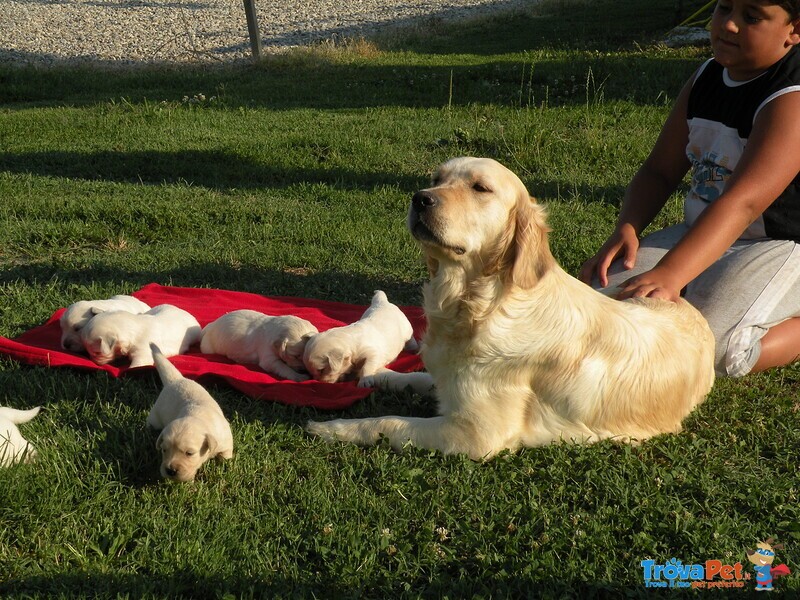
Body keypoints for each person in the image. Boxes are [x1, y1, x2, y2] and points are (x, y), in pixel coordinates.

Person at [579, 0, 800, 377]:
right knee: (599, 305)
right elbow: (659, 170)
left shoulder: (791, 95)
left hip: (779, 244)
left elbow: (744, 202)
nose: (728, 25)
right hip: (703, 231)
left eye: (752, 17)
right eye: (723, 8)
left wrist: (672, 274)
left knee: (709, 349)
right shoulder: (707, 76)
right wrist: (628, 226)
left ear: (794, 30)